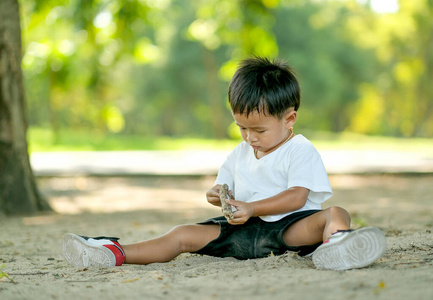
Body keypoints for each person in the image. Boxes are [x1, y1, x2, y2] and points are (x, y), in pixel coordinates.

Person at [62, 57, 386, 270]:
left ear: (289, 120)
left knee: (334, 213)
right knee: (181, 234)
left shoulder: (299, 150)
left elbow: (297, 198)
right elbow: (218, 190)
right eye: (241, 127)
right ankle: (114, 252)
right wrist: (217, 195)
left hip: (288, 230)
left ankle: (338, 243)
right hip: (240, 231)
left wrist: (252, 207)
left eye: (258, 129)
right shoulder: (239, 152)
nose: (249, 137)